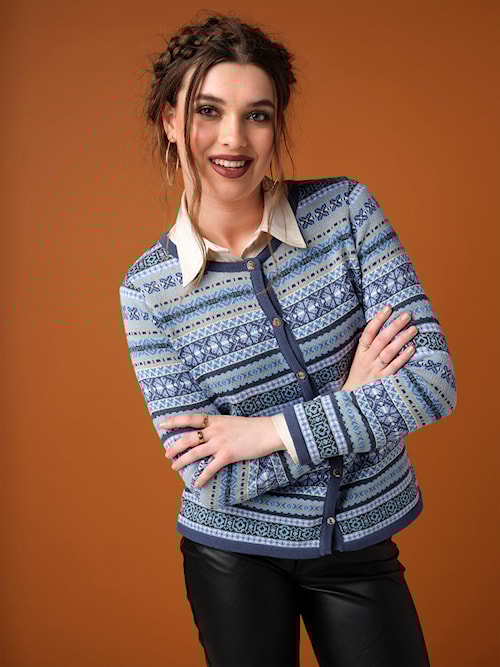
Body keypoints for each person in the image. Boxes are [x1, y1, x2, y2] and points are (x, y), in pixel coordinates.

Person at [119, 12, 456, 667]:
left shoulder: (346, 214)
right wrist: (352, 399)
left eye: (258, 115)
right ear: (170, 120)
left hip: (360, 537)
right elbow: (212, 480)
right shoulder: (148, 290)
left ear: (277, 126)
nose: (233, 138)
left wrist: (266, 432)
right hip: (231, 555)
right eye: (209, 110)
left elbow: (431, 383)